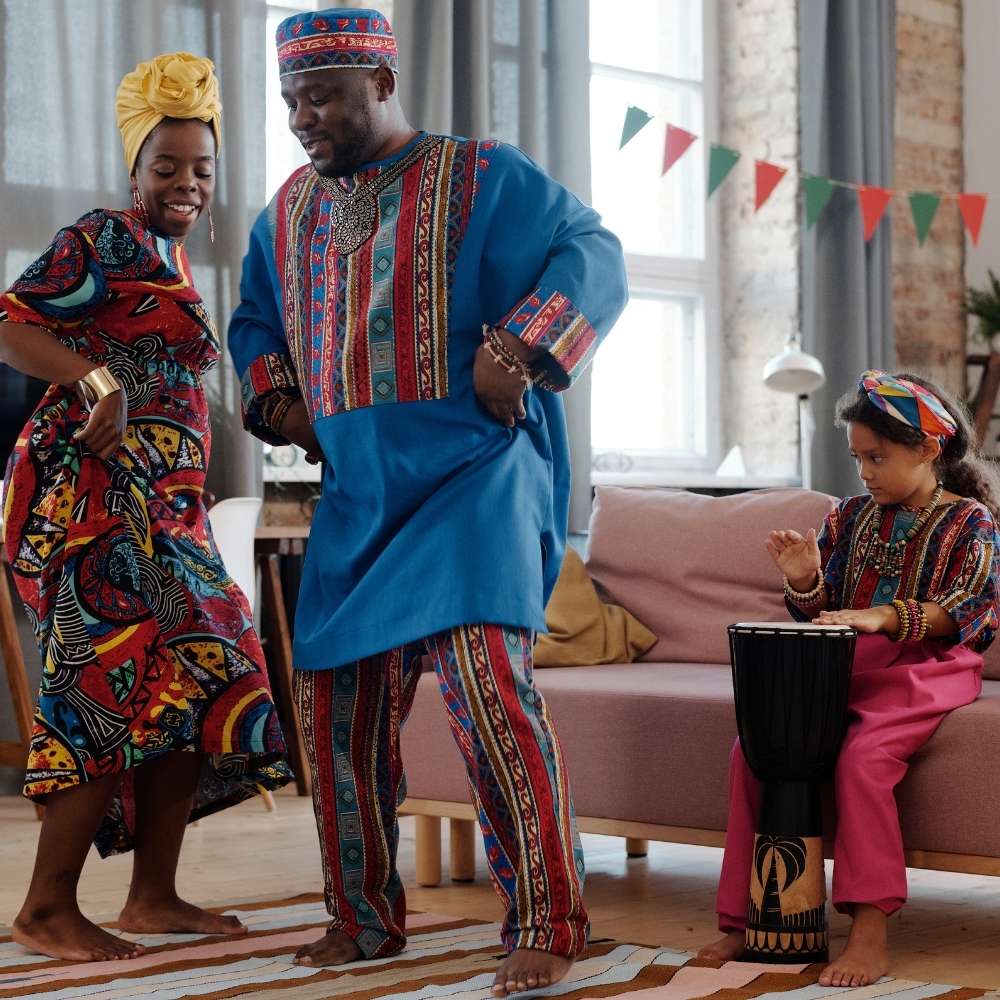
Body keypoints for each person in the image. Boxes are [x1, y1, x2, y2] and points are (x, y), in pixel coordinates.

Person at [228, 7, 627, 995]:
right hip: (361, 495)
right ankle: (360, 921)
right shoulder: (282, 216)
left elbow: (591, 247)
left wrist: (517, 346)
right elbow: (253, 323)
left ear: (380, 80)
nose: (302, 117)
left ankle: (544, 915)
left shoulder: (485, 174)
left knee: (487, 685)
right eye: (290, 99)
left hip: (474, 477)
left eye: (321, 95)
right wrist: (280, 397)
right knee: (334, 708)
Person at [0, 53, 290, 963]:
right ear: (134, 170)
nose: (187, 184)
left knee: (214, 666)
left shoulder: (169, 257)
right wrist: (95, 379)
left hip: (163, 511)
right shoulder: (103, 240)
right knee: (105, 683)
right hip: (87, 504)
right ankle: (46, 909)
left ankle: (153, 894)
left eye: (202, 168)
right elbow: (12, 322)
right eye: (167, 166)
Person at [700, 370, 1000, 987]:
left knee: (862, 760)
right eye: (857, 457)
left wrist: (887, 616)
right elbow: (823, 610)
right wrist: (807, 578)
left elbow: (970, 608)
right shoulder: (849, 516)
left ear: (928, 449)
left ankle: (869, 930)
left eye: (877, 457)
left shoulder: (972, 523)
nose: (864, 470)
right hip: (842, 664)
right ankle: (745, 920)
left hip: (929, 670)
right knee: (752, 754)